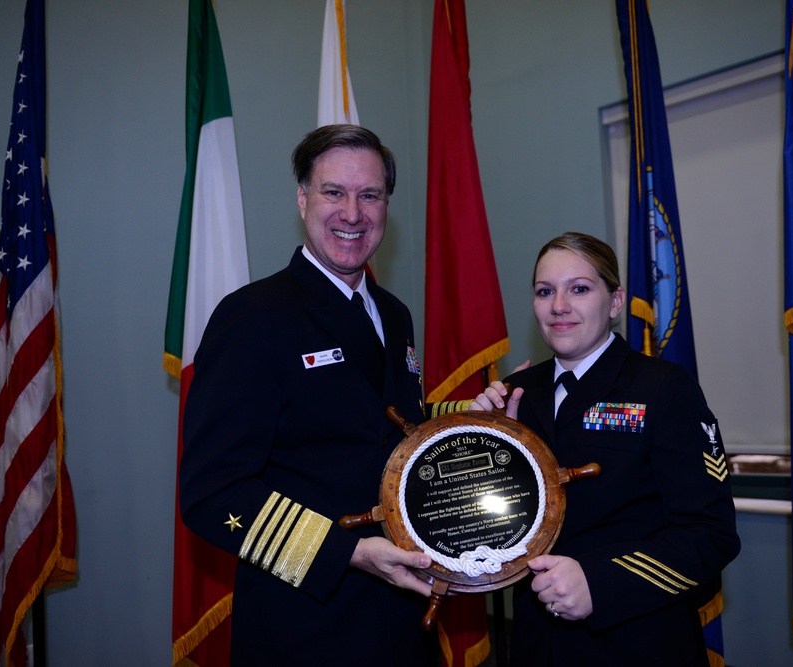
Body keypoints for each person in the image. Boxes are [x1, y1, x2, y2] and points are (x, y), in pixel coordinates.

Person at [179, 124, 438, 666]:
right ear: (302, 199)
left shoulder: (395, 314)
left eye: (370, 195)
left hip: (404, 624)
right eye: (333, 192)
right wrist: (348, 553)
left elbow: (386, 429)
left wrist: (471, 421)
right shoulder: (252, 317)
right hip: (304, 626)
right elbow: (212, 494)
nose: (353, 212)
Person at [472, 231, 740, 666]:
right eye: (545, 291)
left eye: (579, 288)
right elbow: (493, 527)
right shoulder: (516, 395)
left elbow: (710, 536)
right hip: (536, 643)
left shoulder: (663, 389)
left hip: (638, 641)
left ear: (615, 302)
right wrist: (483, 443)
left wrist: (600, 583)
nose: (559, 305)